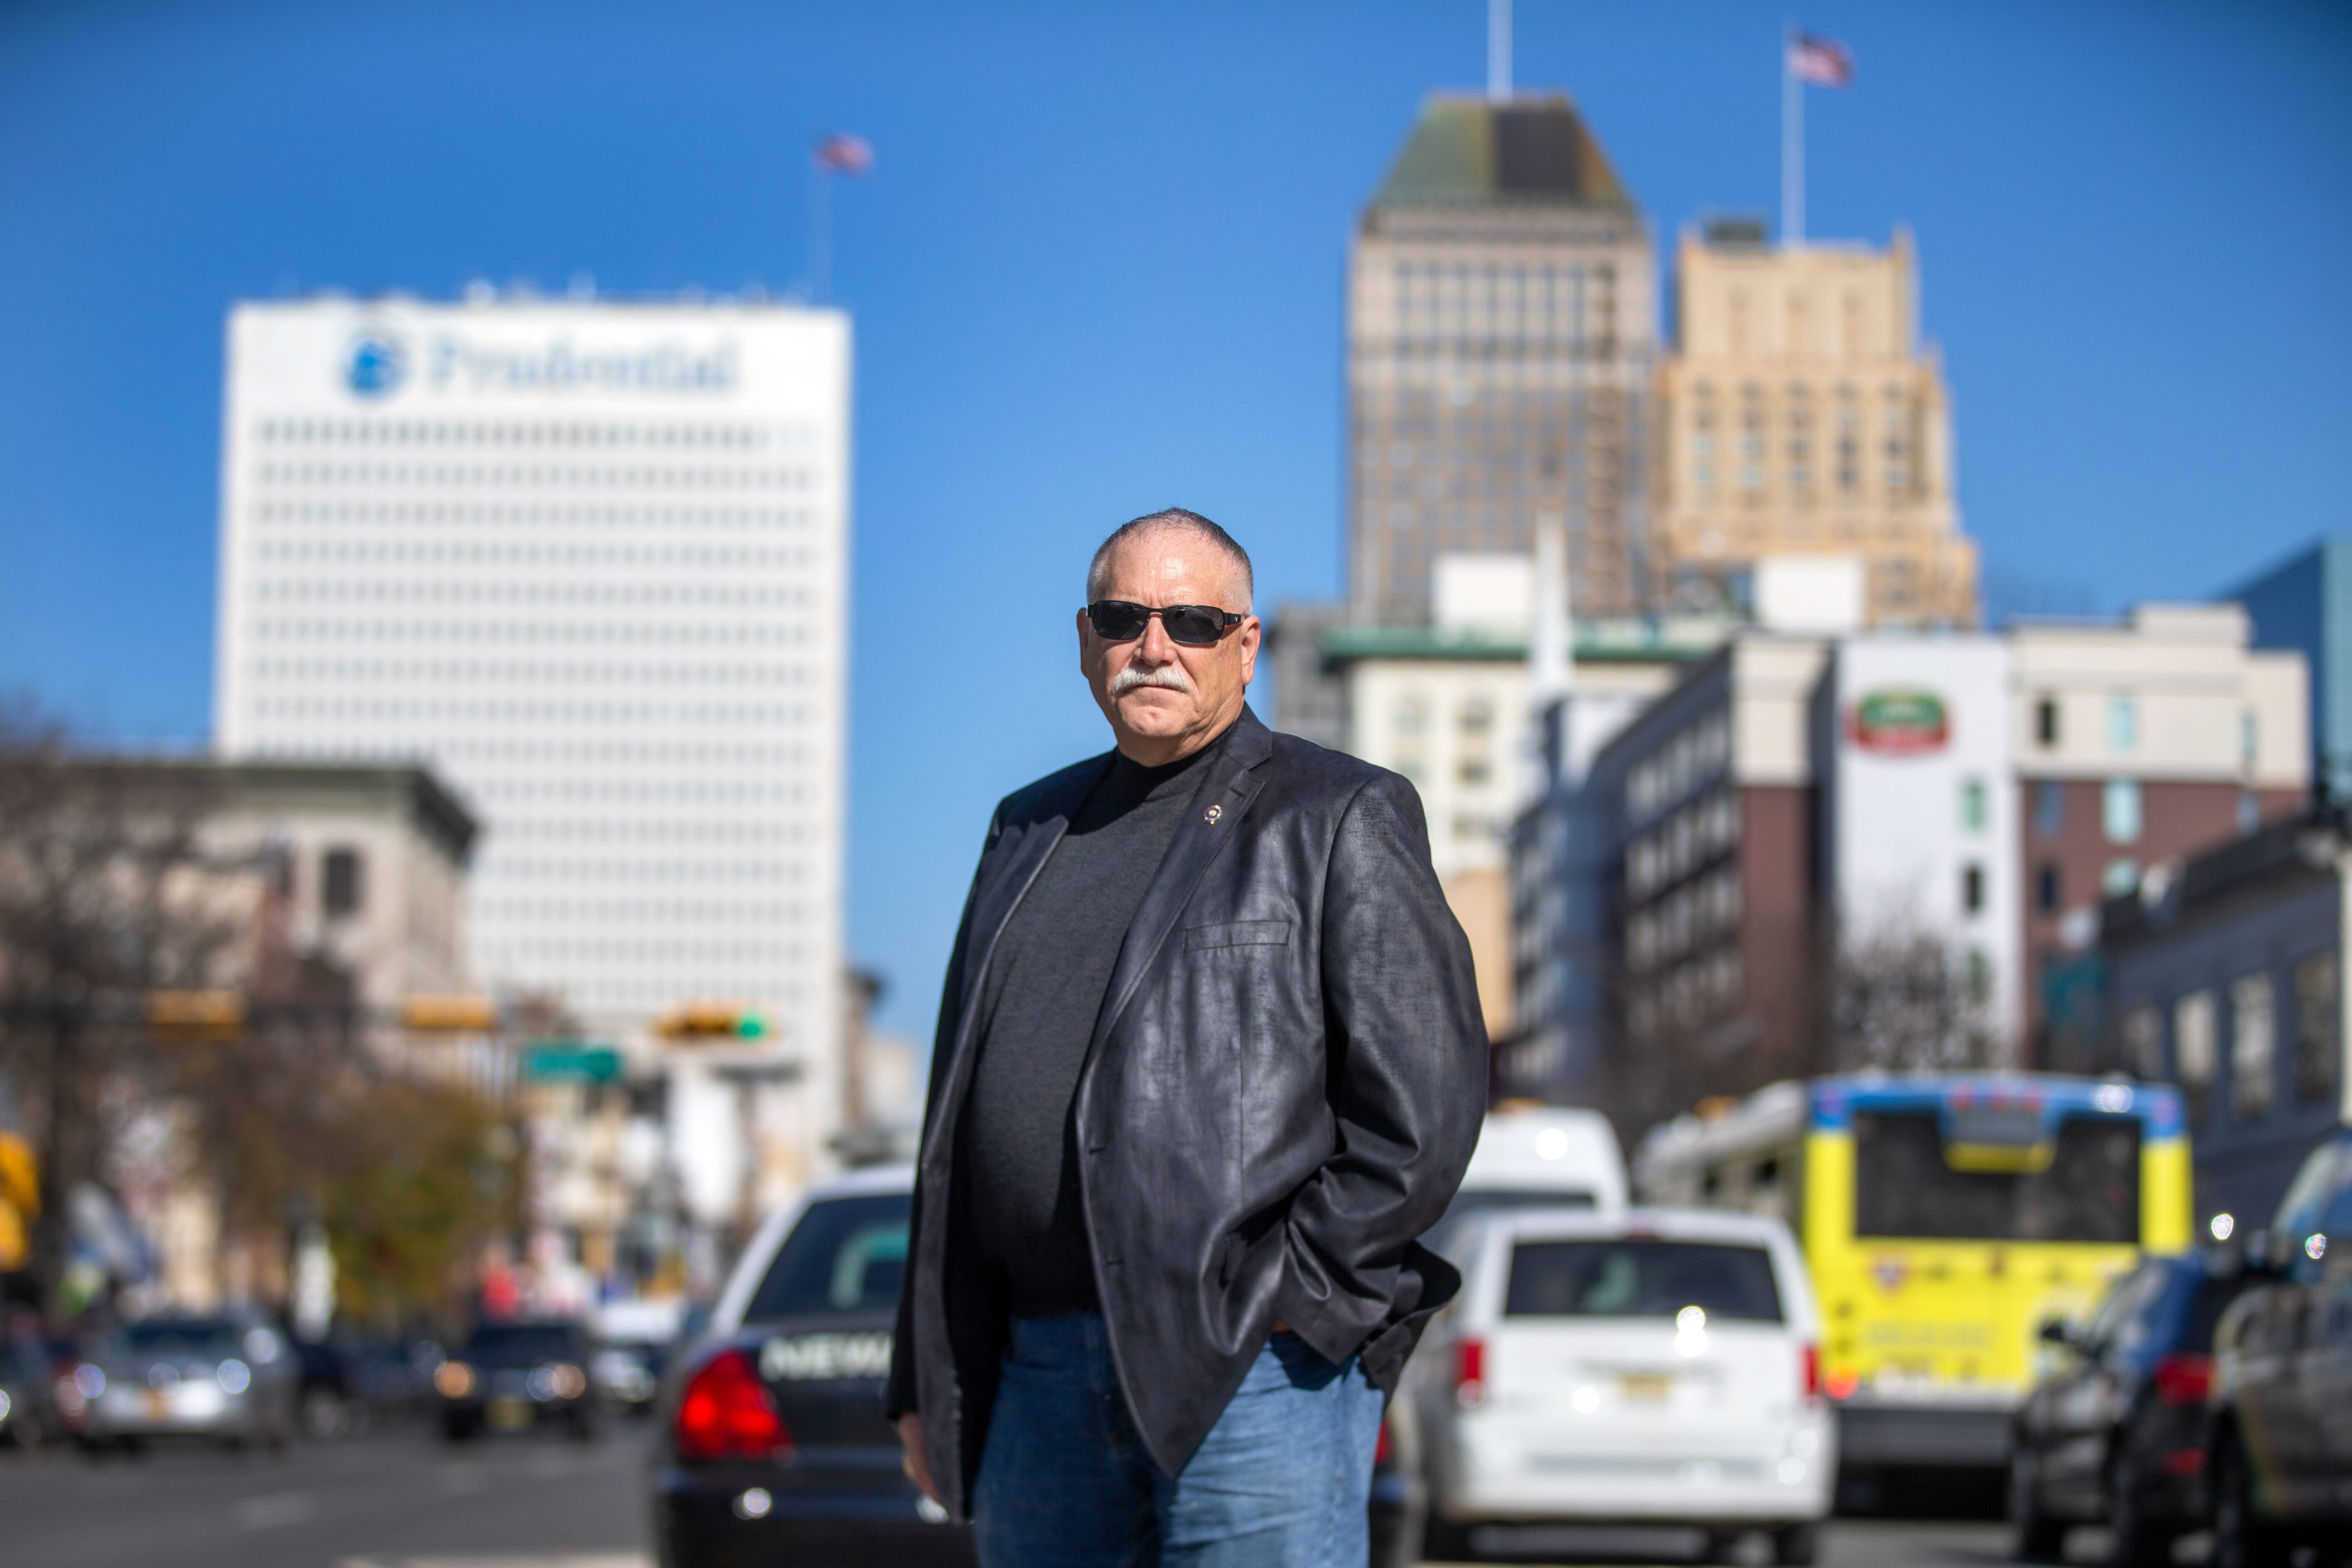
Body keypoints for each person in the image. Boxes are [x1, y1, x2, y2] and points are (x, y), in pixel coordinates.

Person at [886, 507, 1487, 1566]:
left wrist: (1294, 1298)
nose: (1154, 645)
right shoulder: (1026, 829)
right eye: (1125, 618)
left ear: (1245, 647)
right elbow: (949, 1135)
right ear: (1086, 641)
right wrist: (924, 1376)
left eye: (1193, 621)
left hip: (1250, 1368)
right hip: (1037, 1376)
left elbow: (1425, 1110)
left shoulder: (1340, 812)